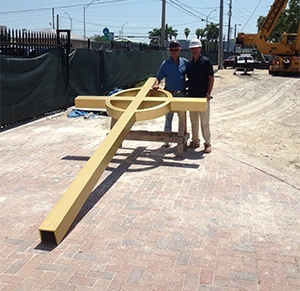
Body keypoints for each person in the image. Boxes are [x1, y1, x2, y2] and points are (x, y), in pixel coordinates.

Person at [152, 41, 188, 147]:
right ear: (169, 51)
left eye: (176, 50)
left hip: (181, 94)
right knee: (168, 118)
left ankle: (181, 140)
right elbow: (158, 78)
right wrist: (156, 85)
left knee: (182, 118)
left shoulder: (185, 62)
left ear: (179, 50)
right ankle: (167, 139)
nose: (174, 52)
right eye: (172, 50)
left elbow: (193, 74)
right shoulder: (165, 64)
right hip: (169, 94)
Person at [187, 38, 214, 153]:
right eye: (192, 48)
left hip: (203, 97)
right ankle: (195, 141)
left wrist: (208, 94)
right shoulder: (189, 63)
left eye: (196, 48)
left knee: (204, 122)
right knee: (194, 121)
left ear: (200, 48)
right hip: (192, 96)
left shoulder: (206, 62)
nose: (194, 50)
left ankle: (207, 143)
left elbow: (211, 79)